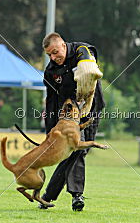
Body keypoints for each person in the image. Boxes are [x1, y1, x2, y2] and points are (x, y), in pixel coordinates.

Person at [40, 32, 105, 211]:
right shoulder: (51, 71)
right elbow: (51, 101)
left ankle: (48, 196)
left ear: (62, 45)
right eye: (49, 55)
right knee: (78, 149)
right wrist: (49, 131)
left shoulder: (79, 50)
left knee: (76, 151)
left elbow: (88, 54)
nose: (53, 58)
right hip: (68, 116)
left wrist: (85, 64)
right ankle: (77, 195)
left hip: (90, 109)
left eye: (55, 52)